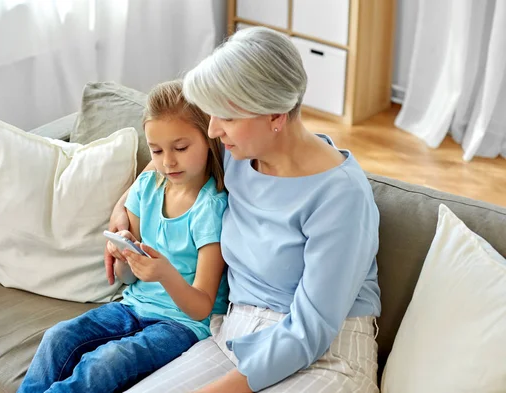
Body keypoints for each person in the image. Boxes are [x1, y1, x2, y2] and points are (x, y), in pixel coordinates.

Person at [108, 27, 381, 393]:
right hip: (234, 338)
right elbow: (165, 162)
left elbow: (310, 331)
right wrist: (121, 208)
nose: (214, 129)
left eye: (227, 116)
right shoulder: (238, 152)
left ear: (276, 115)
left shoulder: (341, 197)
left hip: (326, 354)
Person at [17, 80, 229, 393]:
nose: (167, 161)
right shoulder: (147, 189)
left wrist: (165, 273)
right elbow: (127, 280)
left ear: (208, 138)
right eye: (156, 150)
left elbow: (201, 307)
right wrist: (124, 258)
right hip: (132, 307)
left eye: (181, 148)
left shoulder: (210, 209)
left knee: (105, 362)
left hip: (182, 326)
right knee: (58, 337)